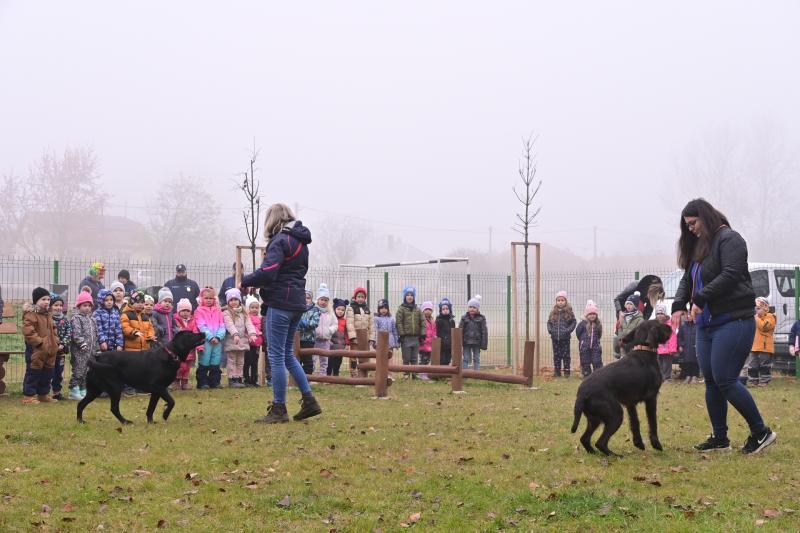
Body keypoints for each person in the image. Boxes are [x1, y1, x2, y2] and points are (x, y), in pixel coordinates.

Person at [671, 198, 776, 454]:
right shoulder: (699, 246)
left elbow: (730, 275)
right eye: (687, 226)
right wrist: (678, 304)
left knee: (725, 379)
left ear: (706, 217)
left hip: (734, 321)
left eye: (693, 223)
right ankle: (720, 439)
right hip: (706, 326)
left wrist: (700, 298)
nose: (691, 229)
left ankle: (761, 432)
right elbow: (689, 278)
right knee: (711, 382)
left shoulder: (730, 240)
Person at [240, 202, 321, 424]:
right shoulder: (301, 242)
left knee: (275, 355)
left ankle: (279, 408)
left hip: (280, 303)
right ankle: (309, 400)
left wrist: (246, 281)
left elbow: (268, 271)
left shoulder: (279, 241)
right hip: (296, 303)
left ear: (272, 220)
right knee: (286, 354)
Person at [21, 288, 60, 404]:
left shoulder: (48, 314)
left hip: (50, 349)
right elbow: (28, 331)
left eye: (48, 299)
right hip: (36, 349)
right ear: (36, 300)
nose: (47, 301)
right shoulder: (31, 314)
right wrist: (40, 342)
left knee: (48, 373)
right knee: (34, 372)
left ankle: (43, 394)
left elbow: (53, 328)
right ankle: (29, 396)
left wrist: (56, 341)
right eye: (43, 299)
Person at [69, 291, 99, 400]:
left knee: (87, 371)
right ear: (79, 306)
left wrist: (97, 348)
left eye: (89, 306)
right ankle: (73, 390)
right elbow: (76, 333)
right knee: (79, 370)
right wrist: (81, 343)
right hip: (80, 351)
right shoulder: (76, 318)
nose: (87, 308)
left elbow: (96, 334)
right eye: (84, 305)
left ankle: (83, 389)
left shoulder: (92, 320)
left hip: (91, 351)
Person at [195, 286, 226, 389]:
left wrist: (218, 337)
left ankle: (215, 382)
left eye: (210, 298)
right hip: (206, 341)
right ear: (201, 298)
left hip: (217, 341)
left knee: (215, 361)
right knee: (204, 360)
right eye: (206, 298)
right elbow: (201, 325)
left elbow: (222, 325)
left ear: (214, 299)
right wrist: (210, 337)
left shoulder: (218, 310)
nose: (208, 300)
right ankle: (202, 382)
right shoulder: (199, 311)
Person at [396, 286, 425, 378]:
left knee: (414, 357)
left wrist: (422, 333)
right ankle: (406, 373)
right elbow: (399, 322)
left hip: (416, 337)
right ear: (404, 297)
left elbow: (422, 321)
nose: (409, 297)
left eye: (411, 295)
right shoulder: (401, 309)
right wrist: (401, 334)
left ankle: (415, 373)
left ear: (414, 297)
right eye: (407, 295)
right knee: (406, 357)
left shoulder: (417, 309)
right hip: (406, 337)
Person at [346, 287, 375, 377]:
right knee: (354, 356)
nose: (360, 298)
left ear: (365, 298)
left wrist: (371, 338)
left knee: (365, 356)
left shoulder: (367, 310)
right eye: (358, 296)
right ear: (355, 297)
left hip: (365, 336)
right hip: (355, 335)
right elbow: (350, 323)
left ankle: (363, 373)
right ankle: (354, 373)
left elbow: (371, 325)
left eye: (362, 297)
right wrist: (353, 337)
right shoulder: (351, 308)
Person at [547, 291, 577, 377]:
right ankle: (557, 371)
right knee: (556, 355)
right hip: (555, 338)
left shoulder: (569, 312)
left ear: (566, 301)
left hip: (565, 338)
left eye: (562, 300)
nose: (560, 302)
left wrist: (568, 330)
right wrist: (551, 330)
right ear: (556, 301)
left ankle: (567, 371)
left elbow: (573, 322)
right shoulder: (553, 312)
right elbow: (549, 322)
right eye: (559, 300)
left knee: (566, 355)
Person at [748, 297, 776, 387]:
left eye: (758, 308)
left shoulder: (770, 317)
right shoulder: (754, 318)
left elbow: (764, 327)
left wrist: (756, 318)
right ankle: (753, 381)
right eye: (754, 308)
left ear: (765, 308)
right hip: (753, 346)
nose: (755, 310)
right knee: (752, 365)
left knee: (764, 365)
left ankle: (764, 381)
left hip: (765, 347)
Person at [50, 293, 72, 401]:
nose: (58, 308)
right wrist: (54, 345)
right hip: (50, 351)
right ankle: (46, 392)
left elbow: (69, 332)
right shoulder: (48, 319)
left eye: (60, 305)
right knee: (50, 371)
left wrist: (63, 343)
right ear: (50, 306)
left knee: (59, 372)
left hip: (61, 351)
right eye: (55, 305)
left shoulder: (65, 319)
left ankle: (57, 392)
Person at [173, 298, 199, 390]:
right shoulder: (175, 320)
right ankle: (176, 381)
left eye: (187, 311)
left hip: (190, 349)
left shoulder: (193, 320)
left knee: (187, 366)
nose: (185, 313)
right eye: (183, 310)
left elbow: (195, 331)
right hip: (180, 349)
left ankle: (185, 382)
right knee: (179, 366)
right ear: (179, 311)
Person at [575, 300, 603, 378]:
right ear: (587, 315)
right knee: (585, 361)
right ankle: (587, 375)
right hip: (584, 347)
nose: (592, 316)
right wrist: (583, 341)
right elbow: (578, 333)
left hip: (596, 347)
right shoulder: (582, 324)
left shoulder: (598, 324)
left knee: (597, 361)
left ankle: (598, 376)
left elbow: (599, 334)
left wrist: (596, 342)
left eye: (594, 314)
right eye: (590, 314)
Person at [314, 283, 337, 376]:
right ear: (318, 300)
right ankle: (313, 375)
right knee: (313, 358)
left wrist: (329, 331)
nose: (323, 302)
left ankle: (323, 375)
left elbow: (335, 324)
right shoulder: (314, 310)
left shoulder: (330, 313)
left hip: (326, 340)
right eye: (322, 299)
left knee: (324, 359)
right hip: (315, 339)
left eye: (326, 300)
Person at [460, 296, 488, 370]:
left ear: (478, 309)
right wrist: (460, 341)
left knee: (476, 358)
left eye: (474, 307)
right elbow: (460, 330)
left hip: (477, 342)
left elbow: (484, 331)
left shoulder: (481, 318)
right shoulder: (464, 318)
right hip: (466, 342)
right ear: (468, 308)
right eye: (470, 307)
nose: (472, 309)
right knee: (465, 358)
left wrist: (484, 343)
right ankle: (465, 373)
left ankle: (477, 374)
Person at [373, 299, 400, 377]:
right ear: (378, 309)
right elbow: (375, 331)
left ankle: (389, 375)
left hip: (390, 343)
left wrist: (397, 343)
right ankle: (380, 374)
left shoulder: (391, 319)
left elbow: (395, 331)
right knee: (380, 358)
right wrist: (376, 342)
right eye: (381, 308)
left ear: (388, 309)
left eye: (385, 308)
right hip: (380, 342)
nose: (383, 310)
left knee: (390, 358)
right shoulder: (376, 319)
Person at [297, 290, 320, 375]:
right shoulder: (297, 309)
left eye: (308, 298)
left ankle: (308, 377)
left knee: (307, 360)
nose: (306, 300)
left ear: (311, 299)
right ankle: (298, 377)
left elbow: (315, 323)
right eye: (303, 298)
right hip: (297, 339)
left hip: (309, 339)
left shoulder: (315, 310)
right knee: (297, 359)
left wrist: (303, 323)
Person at [245, 296, 266, 387]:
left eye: (256, 308)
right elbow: (248, 329)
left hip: (257, 344)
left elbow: (262, 328)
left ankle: (254, 380)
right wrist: (258, 332)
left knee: (255, 362)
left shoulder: (260, 318)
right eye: (252, 307)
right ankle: (246, 379)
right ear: (248, 308)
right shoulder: (247, 318)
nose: (254, 309)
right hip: (249, 343)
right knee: (247, 361)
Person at [654, 303, 678, 382]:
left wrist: (672, 349)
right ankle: (661, 377)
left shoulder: (670, 324)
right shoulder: (655, 325)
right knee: (659, 364)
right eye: (658, 313)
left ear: (665, 314)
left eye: (661, 313)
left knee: (667, 364)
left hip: (668, 350)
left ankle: (667, 377)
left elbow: (672, 337)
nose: (660, 315)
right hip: (658, 349)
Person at [677, 313, 700, 384]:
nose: (688, 316)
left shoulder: (698, 326)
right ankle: (688, 376)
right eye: (687, 315)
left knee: (695, 362)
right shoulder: (683, 327)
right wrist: (680, 345)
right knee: (687, 362)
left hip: (695, 347)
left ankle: (694, 377)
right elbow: (679, 337)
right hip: (686, 348)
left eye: (690, 315)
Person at [329, 298, 349, 376]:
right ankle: (328, 375)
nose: (340, 311)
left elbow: (346, 333)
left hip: (341, 346)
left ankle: (336, 375)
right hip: (332, 345)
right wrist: (328, 340)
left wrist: (347, 344)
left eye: (342, 310)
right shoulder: (331, 319)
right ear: (334, 309)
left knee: (338, 361)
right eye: (338, 309)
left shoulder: (344, 321)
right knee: (330, 361)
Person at [435, 298, 456, 366]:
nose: (445, 310)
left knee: (448, 359)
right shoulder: (438, 320)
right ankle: (441, 373)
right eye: (443, 309)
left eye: (447, 308)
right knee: (442, 359)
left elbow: (453, 331)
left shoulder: (452, 321)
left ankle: (446, 372)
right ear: (440, 310)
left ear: (450, 309)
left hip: (449, 344)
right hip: (442, 344)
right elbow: (437, 332)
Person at [419, 301, 436, 365]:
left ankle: (424, 373)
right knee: (422, 360)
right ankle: (422, 374)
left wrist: (434, 338)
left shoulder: (432, 321)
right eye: (426, 309)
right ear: (423, 311)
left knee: (427, 360)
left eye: (429, 309)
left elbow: (434, 331)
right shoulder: (421, 320)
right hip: (423, 344)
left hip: (430, 344)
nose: (428, 311)